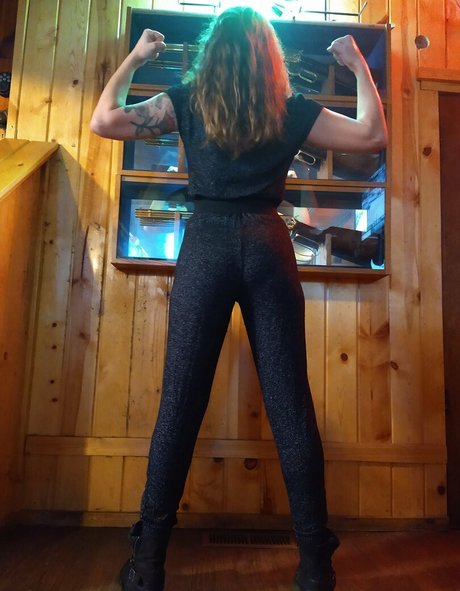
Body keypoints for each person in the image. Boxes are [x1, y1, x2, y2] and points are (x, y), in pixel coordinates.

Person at [90, 7, 387, 591]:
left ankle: (147, 566)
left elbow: (104, 120)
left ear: (211, 53)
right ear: (270, 58)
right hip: (269, 243)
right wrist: (358, 67)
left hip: (205, 244)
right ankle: (315, 568)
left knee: (179, 403)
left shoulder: (185, 100)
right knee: (290, 404)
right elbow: (372, 136)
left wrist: (137, 58)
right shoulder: (289, 108)